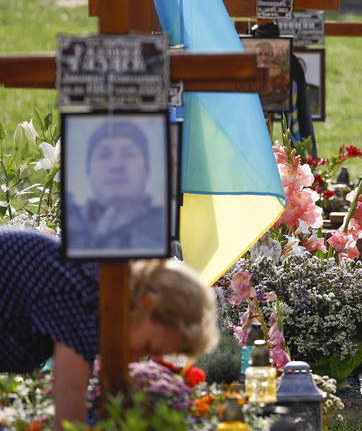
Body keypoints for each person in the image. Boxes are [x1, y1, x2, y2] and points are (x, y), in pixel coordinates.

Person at [0, 226, 218, 428]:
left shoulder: (94, 282)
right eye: (147, 347)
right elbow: (69, 423)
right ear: (148, 305)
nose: (136, 361)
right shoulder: (87, 301)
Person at [65, 119, 166, 253]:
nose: (116, 165)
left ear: (147, 168)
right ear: (88, 169)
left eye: (129, 154)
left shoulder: (162, 227)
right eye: (104, 155)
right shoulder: (72, 225)